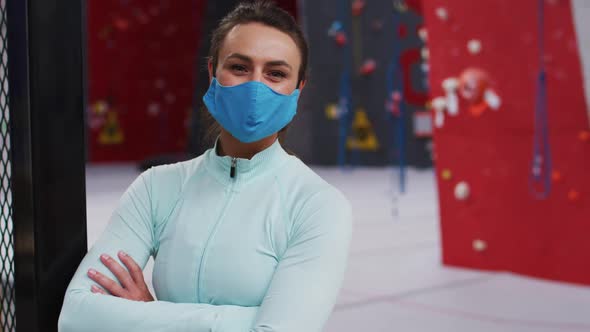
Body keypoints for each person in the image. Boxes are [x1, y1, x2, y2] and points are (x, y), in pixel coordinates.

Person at [58, 1, 353, 331]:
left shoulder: (317, 206)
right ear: (213, 73)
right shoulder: (156, 187)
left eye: (276, 73)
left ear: (298, 89)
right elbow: (79, 316)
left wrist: (149, 314)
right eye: (239, 67)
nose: (255, 86)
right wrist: (245, 320)